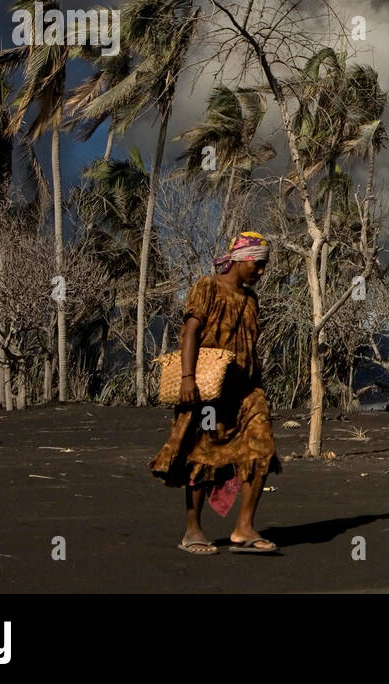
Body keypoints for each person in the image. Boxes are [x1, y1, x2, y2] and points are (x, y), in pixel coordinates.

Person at [150, 231, 281, 554]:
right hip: (209, 391)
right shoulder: (208, 286)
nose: (260, 272)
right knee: (202, 456)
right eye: (258, 264)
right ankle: (193, 530)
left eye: (264, 266)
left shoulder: (251, 299)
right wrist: (187, 378)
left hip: (247, 392)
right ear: (240, 258)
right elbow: (190, 331)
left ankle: (244, 528)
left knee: (261, 450)